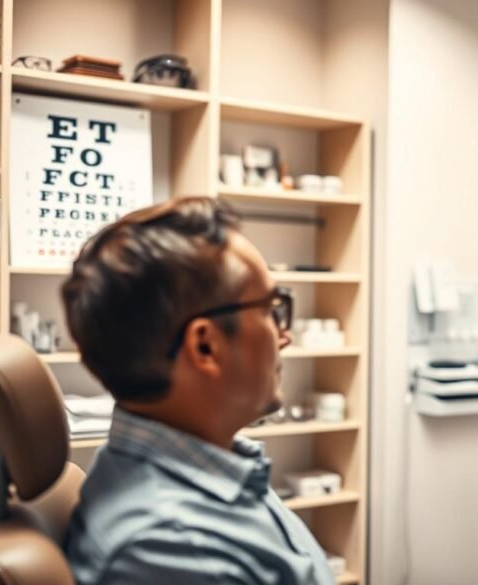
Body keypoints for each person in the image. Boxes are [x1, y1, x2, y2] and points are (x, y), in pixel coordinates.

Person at [62, 197, 336, 585]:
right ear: (206, 346)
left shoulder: (208, 464)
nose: (285, 335)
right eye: (271, 310)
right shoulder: (177, 551)